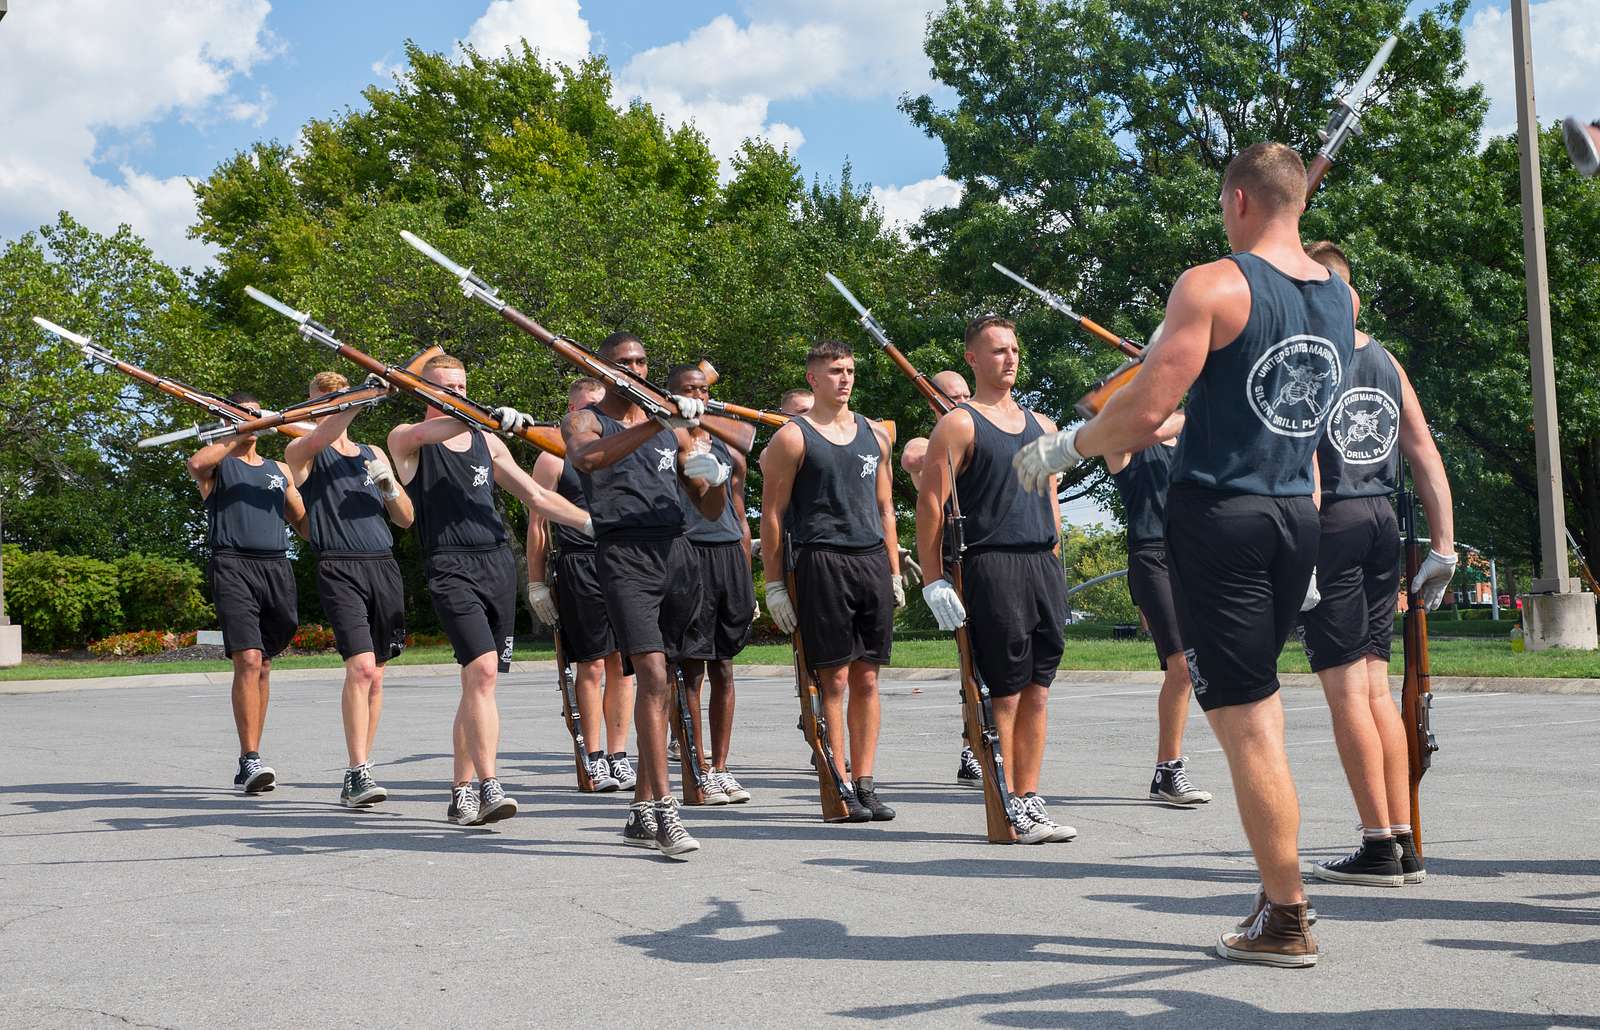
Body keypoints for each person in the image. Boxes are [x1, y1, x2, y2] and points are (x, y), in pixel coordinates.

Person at [1014, 142, 1356, 966]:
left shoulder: (1211, 284)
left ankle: (1286, 913)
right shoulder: (1339, 298)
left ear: (1239, 201)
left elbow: (1138, 415)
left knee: (1247, 724)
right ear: (1297, 201)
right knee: (1261, 708)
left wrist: (1068, 447)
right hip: (1290, 515)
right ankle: (1279, 895)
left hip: (1219, 518)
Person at [1299, 241, 1456, 888]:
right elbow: (1422, 450)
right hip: (1380, 523)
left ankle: (1377, 844)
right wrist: (1443, 545)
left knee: (1346, 695)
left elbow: (1305, 463)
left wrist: (1299, 554)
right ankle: (1401, 838)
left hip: (1333, 523)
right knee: (1373, 688)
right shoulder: (1384, 360)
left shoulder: (1308, 362)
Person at [388, 354, 592, 828]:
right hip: (449, 564)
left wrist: (591, 521)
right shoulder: (406, 438)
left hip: (496, 562)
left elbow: (537, 496)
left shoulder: (487, 440)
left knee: (479, 682)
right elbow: (427, 433)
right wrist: (483, 415)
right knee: (479, 671)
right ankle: (488, 782)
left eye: (462, 385)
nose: (457, 393)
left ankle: (460, 789)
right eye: (445, 387)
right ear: (423, 391)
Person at [563, 332, 729, 859]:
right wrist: (660, 421)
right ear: (604, 368)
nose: (635, 368)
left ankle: (640, 807)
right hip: (623, 557)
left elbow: (705, 508)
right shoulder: (589, 420)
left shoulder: (672, 428)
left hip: (677, 553)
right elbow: (588, 460)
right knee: (653, 675)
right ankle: (664, 810)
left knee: (676, 675)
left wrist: (715, 477)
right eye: (623, 362)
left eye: (641, 360)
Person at [917, 317, 1075, 844]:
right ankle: (1004, 799)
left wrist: (1055, 551)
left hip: (1040, 565)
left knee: (1039, 686)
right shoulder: (959, 424)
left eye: (1013, 349)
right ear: (973, 360)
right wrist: (934, 579)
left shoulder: (1043, 424)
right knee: (1004, 692)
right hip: (991, 565)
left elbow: (1049, 496)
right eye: (997, 351)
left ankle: (1029, 798)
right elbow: (932, 505)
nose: (1009, 358)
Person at [761, 340, 904, 823]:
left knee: (868, 676)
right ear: (813, 379)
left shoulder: (876, 435)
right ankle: (838, 781)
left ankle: (866, 783)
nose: (844, 379)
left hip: (869, 562)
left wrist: (894, 570)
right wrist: (775, 583)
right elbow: (773, 516)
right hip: (820, 561)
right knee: (835, 678)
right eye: (835, 371)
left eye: (850, 370)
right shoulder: (793, 437)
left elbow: (886, 508)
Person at [284, 371, 414, 808]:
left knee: (376, 675)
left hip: (383, 565)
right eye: (327, 400)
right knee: (359, 668)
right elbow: (323, 435)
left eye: (339, 399)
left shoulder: (372, 452)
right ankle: (358, 771)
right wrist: (361, 397)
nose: (334, 406)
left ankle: (360, 768)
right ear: (313, 404)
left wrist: (389, 486)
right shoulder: (301, 451)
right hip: (338, 567)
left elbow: (406, 519)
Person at [187, 392, 306, 795]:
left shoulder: (278, 469)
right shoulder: (218, 465)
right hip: (233, 563)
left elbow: (303, 520)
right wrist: (237, 432)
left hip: (276, 565)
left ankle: (252, 756)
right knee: (248, 658)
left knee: (266, 663)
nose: (254, 419)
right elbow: (196, 464)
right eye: (245, 415)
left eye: (259, 415)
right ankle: (249, 758)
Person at [527, 378, 631, 793]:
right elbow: (537, 523)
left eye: (599, 408)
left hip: (622, 560)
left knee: (623, 665)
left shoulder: (618, 449)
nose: (593, 415)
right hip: (578, 563)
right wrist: (536, 583)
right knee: (590, 664)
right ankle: (594, 754)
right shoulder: (553, 456)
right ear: (570, 410)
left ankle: (620, 755)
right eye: (586, 407)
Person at [1104, 418, 1213, 806]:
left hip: (1196, 557)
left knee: (1191, 668)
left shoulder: (1195, 441)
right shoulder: (1129, 441)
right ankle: (1168, 770)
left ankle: (1166, 773)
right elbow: (1122, 430)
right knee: (1181, 664)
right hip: (1152, 556)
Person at [668, 364, 758, 805]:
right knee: (691, 668)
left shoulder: (724, 440)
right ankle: (695, 767)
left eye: (703, 390)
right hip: (688, 553)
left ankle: (721, 768)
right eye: (689, 390)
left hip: (729, 555)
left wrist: (750, 578)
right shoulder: (665, 438)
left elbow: (738, 511)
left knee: (724, 666)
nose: (698, 396)